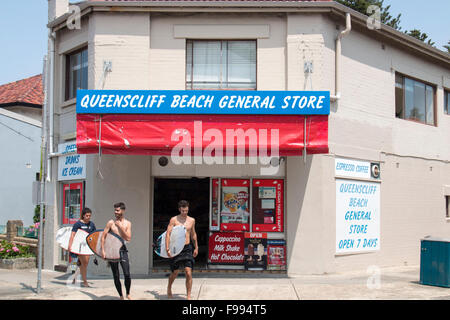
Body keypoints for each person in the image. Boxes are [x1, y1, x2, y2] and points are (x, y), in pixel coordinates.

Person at [166, 200, 198, 300]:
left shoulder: (191, 220)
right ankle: (169, 287)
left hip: (187, 247)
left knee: (188, 272)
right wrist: (167, 248)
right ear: (179, 209)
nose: (185, 213)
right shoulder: (174, 220)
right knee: (175, 272)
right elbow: (168, 234)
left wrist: (196, 247)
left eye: (186, 210)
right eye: (183, 211)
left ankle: (188, 295)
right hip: (176, 248)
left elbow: (193, 234)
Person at [101, 202, 132, 300]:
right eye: (115, 210)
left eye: (117, 210)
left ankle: (128, 293)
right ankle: (121, 296)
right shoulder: (110, 223)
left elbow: (128, 238)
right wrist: (103, 251)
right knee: (116, 275)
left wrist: (120, 227)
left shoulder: (128, 223)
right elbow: (103, 237)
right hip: (112, 251)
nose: (115, 212)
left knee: (127, 274)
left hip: (122, 250)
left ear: (123, 210)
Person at [68, 207, 96, 287]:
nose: (88, 217)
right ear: (83, 215)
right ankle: (85, 282)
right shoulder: (78, 224)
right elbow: (72, 235)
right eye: (87, 216)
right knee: (84, 264)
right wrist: (70, 245)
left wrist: (94, 248)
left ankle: (74, 277)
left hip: (88, 247)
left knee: (84, 264)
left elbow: (94, 236)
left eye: (90, 216)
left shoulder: (91, 224)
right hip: (79, 247)